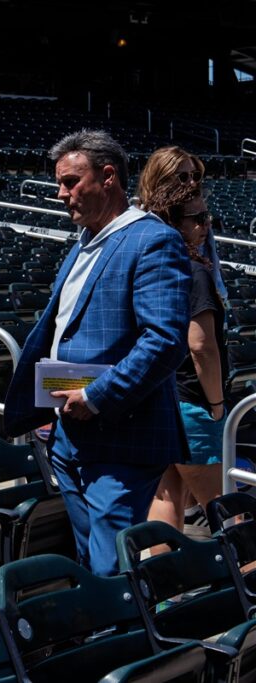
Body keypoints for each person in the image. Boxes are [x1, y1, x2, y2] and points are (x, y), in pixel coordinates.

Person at [3, 129, 192, 576]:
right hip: (69, 433)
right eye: (59, 183)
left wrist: (96, 396)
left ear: (108, 177)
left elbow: (165, 341)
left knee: (111, 567)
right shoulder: (82, 244)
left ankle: (129, 623)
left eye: (70, 182)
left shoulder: (152, 240)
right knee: (90, 561)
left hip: (121, 433)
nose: (60, 193)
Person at [145, 184, 228, 533]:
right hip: (193, 404)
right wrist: (217, 405)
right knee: (227, 512)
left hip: (160, 400)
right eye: (199, 218)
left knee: (167, 498)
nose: (206, 225)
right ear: (175, 223)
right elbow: (201, 345)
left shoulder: (154, 265)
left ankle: (162, 571)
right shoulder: (194, 271)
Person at [137, 145, 228, 303]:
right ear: (161, 180)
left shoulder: (201, 224)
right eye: (183, 177)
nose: (192, 183)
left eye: (195, 176)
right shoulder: (145, 226)